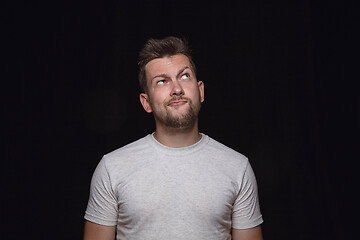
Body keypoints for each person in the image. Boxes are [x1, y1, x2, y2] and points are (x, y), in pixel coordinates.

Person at [83, 36, 263, 240]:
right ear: (146, 102)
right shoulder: (112, 168)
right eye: (161, 81)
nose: (177, 89)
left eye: (185, 76)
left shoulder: (237, 168)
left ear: (200, 90)